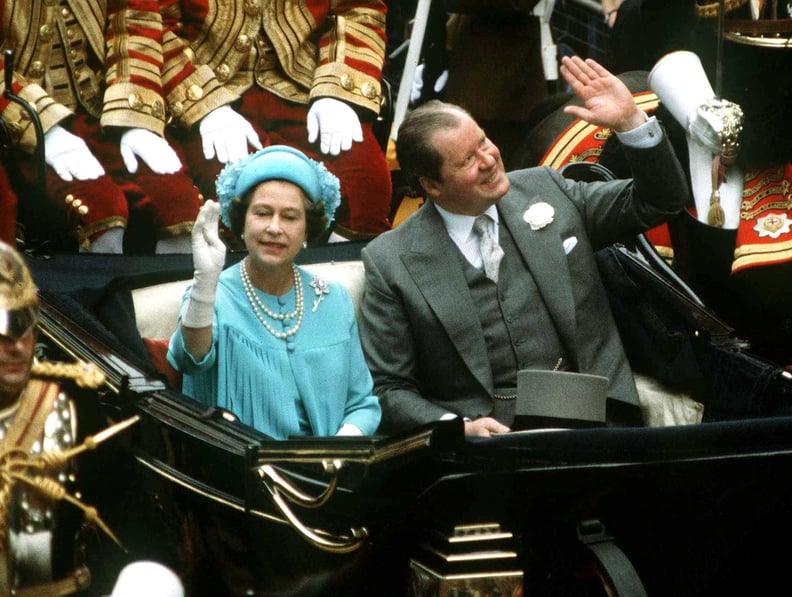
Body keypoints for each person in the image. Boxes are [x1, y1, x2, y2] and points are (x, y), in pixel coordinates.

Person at [359, 55, 689, 437]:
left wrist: (631, 123)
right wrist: (459, 428)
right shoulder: (390, 261)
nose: (489, 160)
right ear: (432, 185)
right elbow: (388, 389)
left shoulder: (547, 189)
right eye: (468, 159)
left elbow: (660, 200)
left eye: (483, 141)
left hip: (596, 423)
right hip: (487, 448)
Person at [167, 145, 381, 439]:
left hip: (330, 473)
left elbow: (363, 404)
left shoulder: (334, 300)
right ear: (242, 221)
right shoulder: (210, 294)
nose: (274, 228)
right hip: (241, 474)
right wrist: (205, 280)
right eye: (262, 213)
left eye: (290, 217)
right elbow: (190, 358)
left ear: (307, 229)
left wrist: (342, 447)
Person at [159, 0, 392, 242]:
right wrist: (202, 102)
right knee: (233, 193)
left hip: (306, 87)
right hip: (210, 91)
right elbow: (156, 25)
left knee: (366, 184)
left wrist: (338, 89)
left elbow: (359, 10)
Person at [0, 0, 201, 253]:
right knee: (102, 215)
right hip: (15, 122)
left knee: (180, 208)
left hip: (103, 106)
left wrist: (133, 115)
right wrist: (39, 125)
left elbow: (135, 22)